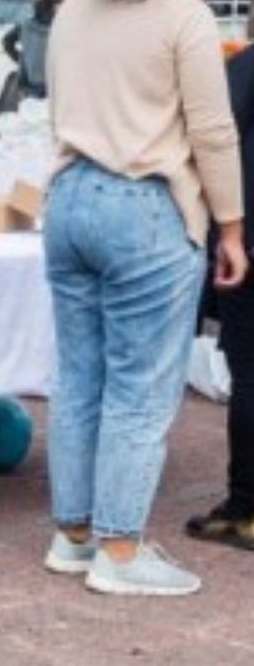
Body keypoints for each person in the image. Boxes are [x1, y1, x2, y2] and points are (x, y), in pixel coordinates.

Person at [41, 0, 247, 597]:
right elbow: (213, 133)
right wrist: (231, 227)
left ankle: (72, 536)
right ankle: (120, 553)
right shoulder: (182, 19)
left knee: (78, 379)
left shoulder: (71, 10)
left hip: (67, 200)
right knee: (139, 389)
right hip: (145, 206)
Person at [184, 44, 254, 551]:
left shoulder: (244, 67)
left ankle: (245, 505)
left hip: (247, 240)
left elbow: (216, 142)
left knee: (250, 373)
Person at [2, 0, 64, 100]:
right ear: (55, 6)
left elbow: (7, 41)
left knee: (31, 114)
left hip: (30, 79)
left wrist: (20, 58)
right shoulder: (59, 28)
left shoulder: (26, 25)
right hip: (54, 80)